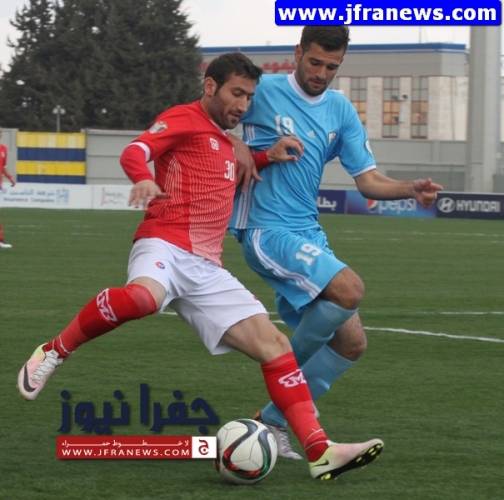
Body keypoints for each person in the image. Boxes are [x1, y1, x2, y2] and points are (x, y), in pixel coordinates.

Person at [17, 52, 383, 480]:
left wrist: (268, 156)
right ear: (210, 86)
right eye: (236, 93)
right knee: (143, 299)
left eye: (249, 97)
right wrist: (142, 177)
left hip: (207, 267)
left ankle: (320, 451)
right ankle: (54, 350)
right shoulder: (183, 118)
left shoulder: (227, 143)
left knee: (276, 347)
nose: (243, 105)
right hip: (164, 244)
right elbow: (136, 150)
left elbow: (224, 169)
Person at [230, 27, 443, 459]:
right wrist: (233, 142)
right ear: (297, 53)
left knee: (351, 343)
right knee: (349, 288)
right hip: (265, 229)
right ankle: (279, 372)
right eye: (315, 62)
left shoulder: (340, 110)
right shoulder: (263, 90)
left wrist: (410, 189)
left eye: (332, 66)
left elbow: (367, 180)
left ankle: (270, 421)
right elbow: (204, 116)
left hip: (307, 232)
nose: (322, 73)